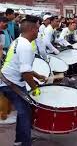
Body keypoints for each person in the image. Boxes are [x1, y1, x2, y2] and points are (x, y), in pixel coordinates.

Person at [0, 15, 47, 146]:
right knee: (25, 113)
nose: (38, 32)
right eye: (37, 30)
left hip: (7, 80)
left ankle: (20, 140)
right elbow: (25, 72)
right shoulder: (26, 46)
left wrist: (37, 76)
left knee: (24, 111)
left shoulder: (18, 41)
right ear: (32, 30)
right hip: (11, 84)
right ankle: (24, 142)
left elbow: (21, 66)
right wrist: (35, 88)